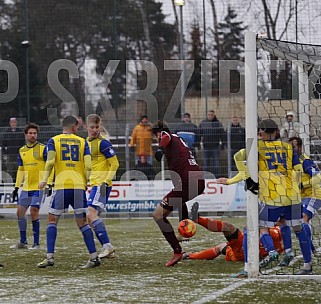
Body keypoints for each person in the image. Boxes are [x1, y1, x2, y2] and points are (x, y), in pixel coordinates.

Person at [233, 119, 312, 277]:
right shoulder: (288, 147)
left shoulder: (257, 146)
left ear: (261, 132)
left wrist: (248, 178)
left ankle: (249, 266)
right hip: (292, 195)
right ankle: (308, 265)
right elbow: (297, 170)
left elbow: (237, 156)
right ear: (276, 132)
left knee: (251, 229)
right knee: (299, 228)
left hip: (272, 196)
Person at [37, 116, 100, 269]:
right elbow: (89, 166)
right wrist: (85, 181)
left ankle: (50, 257)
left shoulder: (54, 141)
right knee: (83, 223)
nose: (78, 129)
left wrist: (44, 179)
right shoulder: (83, 142)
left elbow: (50, 161)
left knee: (52, 220)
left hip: (62, 185)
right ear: (73, 127)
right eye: (77, 127)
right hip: (78, 185)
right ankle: (93, 257)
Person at [151, 121, 205, 267]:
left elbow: (164, 136)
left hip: (189, 181)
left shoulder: (166, 136)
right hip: (195, 180)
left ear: (158, 134)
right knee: (178, 202)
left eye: (155, 138)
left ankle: (177, 251)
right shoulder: (178, 142)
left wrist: (160, 149)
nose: (157, 140)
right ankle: (188, 225)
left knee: (158, 215)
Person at [184, 203, 283, 262]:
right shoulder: (277, 228)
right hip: (246, 249)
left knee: (227, 227)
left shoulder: (272, 229)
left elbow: (262, 232)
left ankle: (198, 220)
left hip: (247, 249)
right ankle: (190, 255)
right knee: (221, 247)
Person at [10, 123, 52, 250]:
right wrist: (17, 187)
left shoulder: (43, 149)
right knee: (20, 213)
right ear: (26, 135)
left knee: (34, 211)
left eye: (34, 133)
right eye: (30, 133)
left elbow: (49, 166)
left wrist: (48, 183)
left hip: (39, 187)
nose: (33, 135)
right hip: (26, 188)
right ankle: (23, 242)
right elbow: (21, 170)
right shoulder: (22, 151)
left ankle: (36, 243)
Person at [86, 114, 119, 259]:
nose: (94, 130)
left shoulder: (103, 143)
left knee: (90, 214)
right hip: (93, 184)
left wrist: (107, 181)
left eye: (97, 127)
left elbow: (115, 163)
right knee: (90, 217)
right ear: (87, 127)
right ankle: (107, 247)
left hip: (102, 184)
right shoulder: (86, 143)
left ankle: (107, 246)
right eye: (92, 127)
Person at [288, 136, 321, 257]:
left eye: (294, 147)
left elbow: (318, 177)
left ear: (300, 148)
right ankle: (311, 249)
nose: (291, 149)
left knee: (304, 217)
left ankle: (310, 253)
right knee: (297, 224)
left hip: (314, 194)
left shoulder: (305, 161)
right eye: (289, 147)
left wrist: (302, 185)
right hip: (300, 197)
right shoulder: (289, 162)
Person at [199, 110, 226, 177]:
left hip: (215, 146)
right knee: (206, 164)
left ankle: (217, 177)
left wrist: (223, 144)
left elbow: (222, 134)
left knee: (216, 163)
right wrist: (198, 144)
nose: (210, 116)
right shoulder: (203, 123)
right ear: (207, 115)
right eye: (209, 114)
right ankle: (206, 177)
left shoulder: (218, 123)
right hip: (206, 146)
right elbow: (199, 134)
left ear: (214, 115)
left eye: (212, 114)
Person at [0, 117, 25, 182]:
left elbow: (23, 143)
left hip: (18, 154)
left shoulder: (20, 132)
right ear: (10, 123)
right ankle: (10, 182)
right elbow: (3, 144)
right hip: (9, 154)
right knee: (10, 169)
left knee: (19, 168)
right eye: (12, 122)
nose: (13, 124)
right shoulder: (6, 133)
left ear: (16, 123)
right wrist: (5, 153)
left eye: (14, 122)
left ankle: (18, 181)